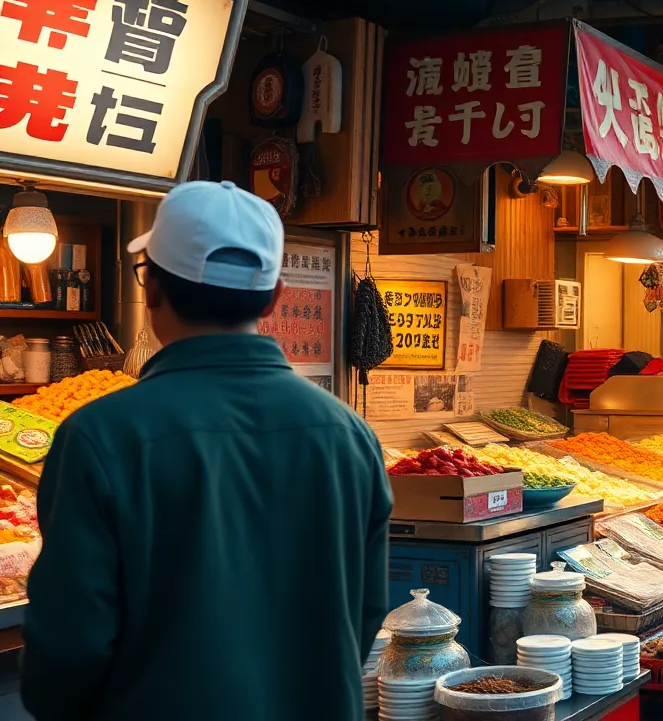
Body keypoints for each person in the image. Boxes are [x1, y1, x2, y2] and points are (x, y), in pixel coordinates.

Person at [22, 181, 393, 720]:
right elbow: (363, 614)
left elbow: (68, 648)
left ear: (150, 288)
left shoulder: (100, 436)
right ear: (274, 297)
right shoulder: (350, 436)